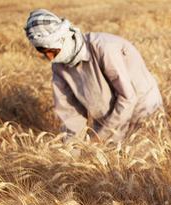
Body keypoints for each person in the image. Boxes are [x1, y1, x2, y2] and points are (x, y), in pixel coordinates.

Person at [24, 9, 163, 143]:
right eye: (43, 52)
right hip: (106, 119)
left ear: (64, 38)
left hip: (142, 110)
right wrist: (72, 151)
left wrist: (99, 138)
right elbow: (70, 113)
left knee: (146, 157)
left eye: (52, 50)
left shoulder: (104, 48)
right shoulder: (58, 65)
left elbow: (128, 97)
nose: (49, 57)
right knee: (106, 160)